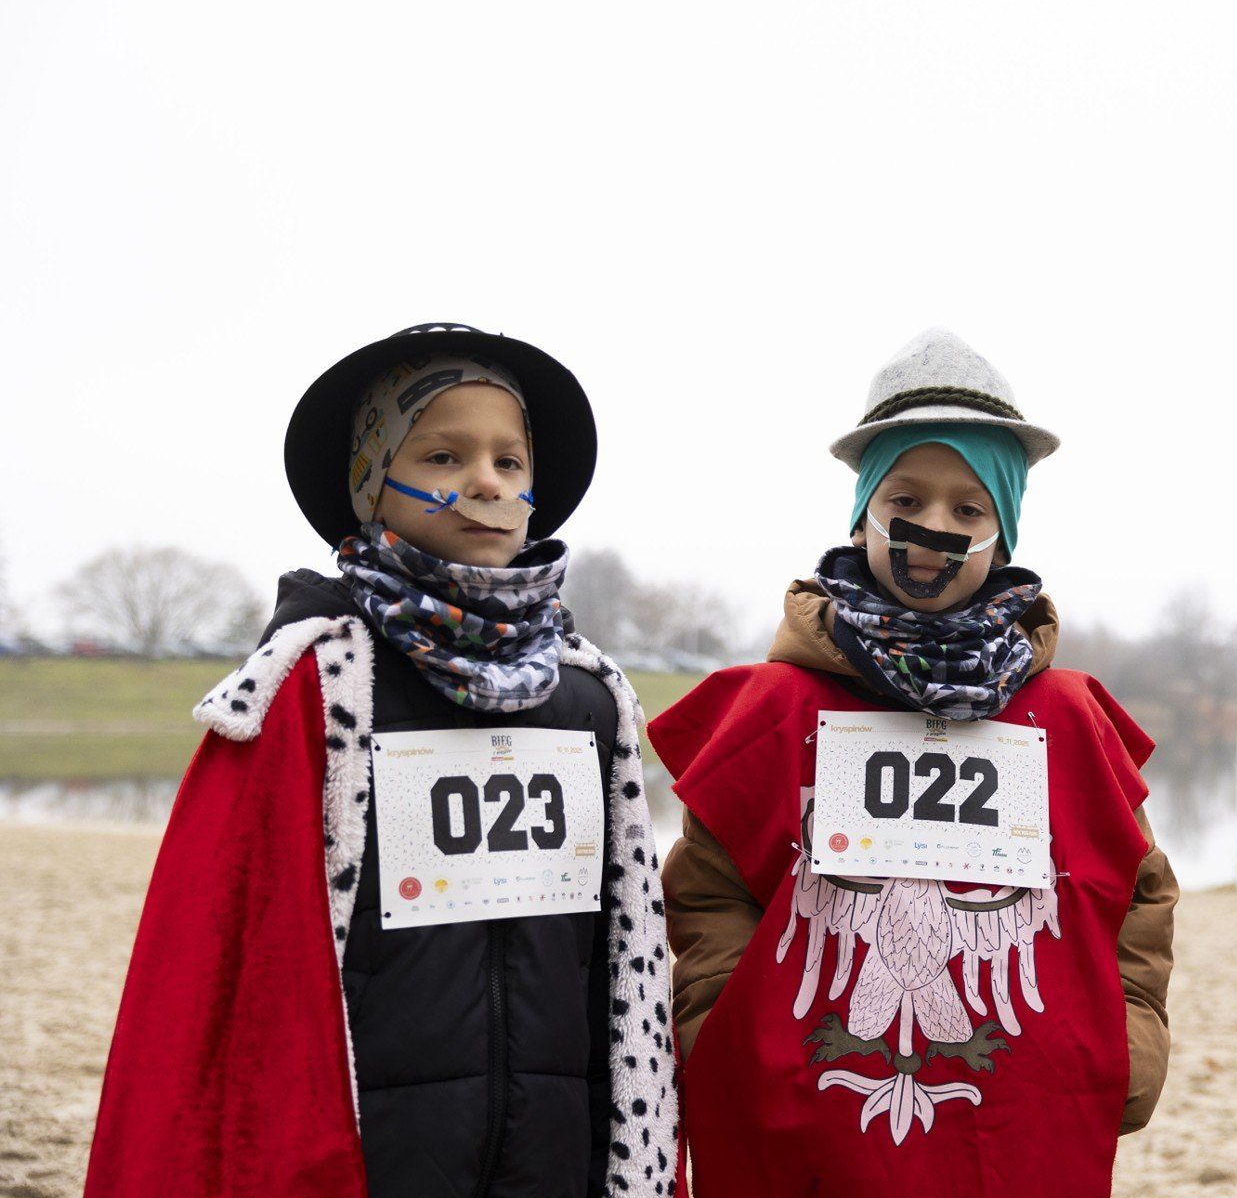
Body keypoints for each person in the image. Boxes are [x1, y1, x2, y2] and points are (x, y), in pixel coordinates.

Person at [85, 323, 678, 1198]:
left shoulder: (592, 697)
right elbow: (227, 961)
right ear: (372, 484)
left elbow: (625, 955)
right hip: (371, 1153)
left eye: (509, 461)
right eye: (443, 456)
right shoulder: (314, 682)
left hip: (557, 1150)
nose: (486, 481)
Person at [648, 328, 1178, 1197]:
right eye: (906, 498)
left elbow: (1138, 893)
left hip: (1022, 1124)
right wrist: (721, 1031)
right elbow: (708, 893)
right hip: (804, 1118)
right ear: (863, 513)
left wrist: (1133, 1039)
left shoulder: (1070, 718)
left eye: (969, 510)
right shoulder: (775, 710)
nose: (934, 526)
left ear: (1003, 534)